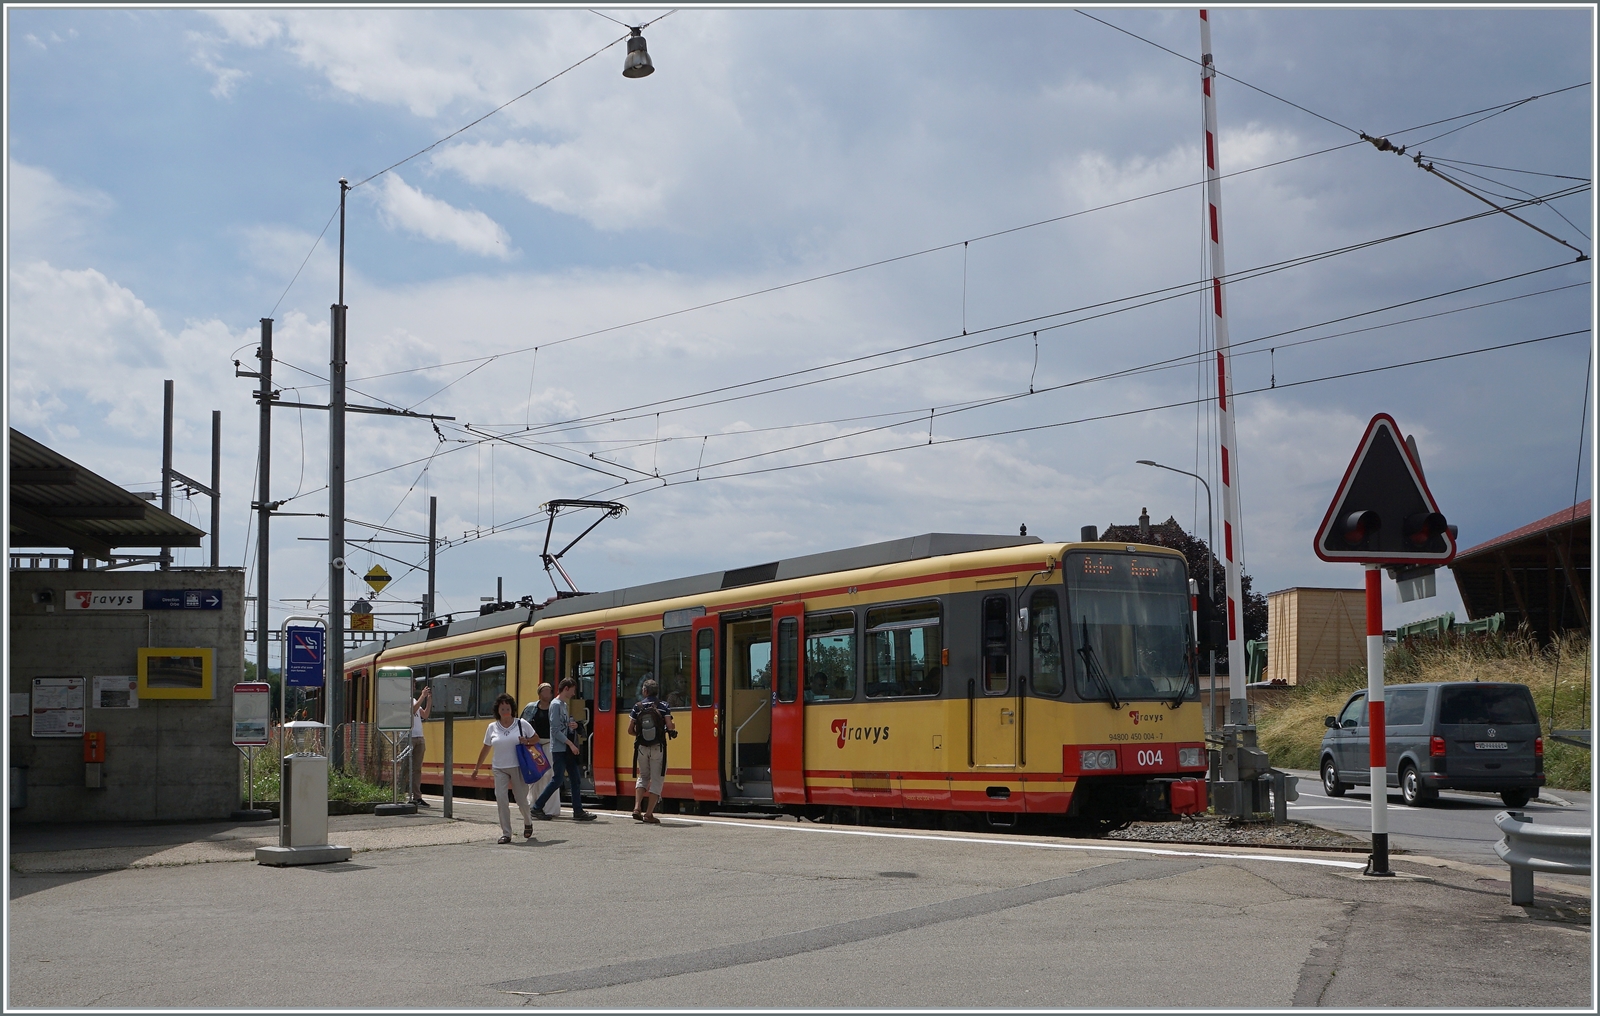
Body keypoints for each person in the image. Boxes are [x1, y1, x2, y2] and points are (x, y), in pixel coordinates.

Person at [471, 693, 538, 844]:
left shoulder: (521, 724)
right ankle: (506, 833)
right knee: (501, 799)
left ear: (512, 709)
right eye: (502, 708)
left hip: (518, 767)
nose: (505, 711)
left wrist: (526, 741)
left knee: (521, 800)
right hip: (499, 768)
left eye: (508, 708)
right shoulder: (492, 727)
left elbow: (536, 738)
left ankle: (528, 822)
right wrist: (476, 768)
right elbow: (486, 748)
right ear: (498, 710)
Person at [533, 677, 597, 821]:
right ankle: (537, 807)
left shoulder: (563, 704)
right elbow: (555, 730)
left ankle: (578, 811)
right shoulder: (555, 705)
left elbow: (561, 726)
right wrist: (571, 744)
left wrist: (572, 725)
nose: (574, 693)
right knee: (557, 779)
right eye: (573, 690)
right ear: (566, 688)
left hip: (565, 748)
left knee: (575, 779)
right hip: (560, 749)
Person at [628, 677, 677, 824]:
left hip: (642, 748)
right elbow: (670, 726)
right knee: (657, 779)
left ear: (644, 691)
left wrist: (642, 736)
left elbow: (630, 730)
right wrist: (671, 726)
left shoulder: (637, 707)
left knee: (643, 776)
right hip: (658, 747)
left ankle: (637, 808)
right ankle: (648, 814)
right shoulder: (664, 706)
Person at [521, 683, 559, 818]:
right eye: (545, 691)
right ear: (539, 693)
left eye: (549, 691)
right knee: (536, 775)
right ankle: (533, 805)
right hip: (534, 746)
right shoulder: (530, 708)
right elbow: (522, 724)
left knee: (550, 774)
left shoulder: (555, 707)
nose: (548, 693)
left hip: (550, 743)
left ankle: (550, 809)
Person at [410, 681, 431, 807]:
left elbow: (425, 715)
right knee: (405, 769)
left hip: (419, 737)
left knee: (417, 769)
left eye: (414, 685)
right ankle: (401, 794)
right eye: (411, 685)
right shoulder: (403, 700)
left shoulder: (413, 699)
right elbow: (412, 711)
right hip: (409, 738)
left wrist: (429, 700)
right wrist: (422, 696)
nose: (413, 688)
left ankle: (417, 797)